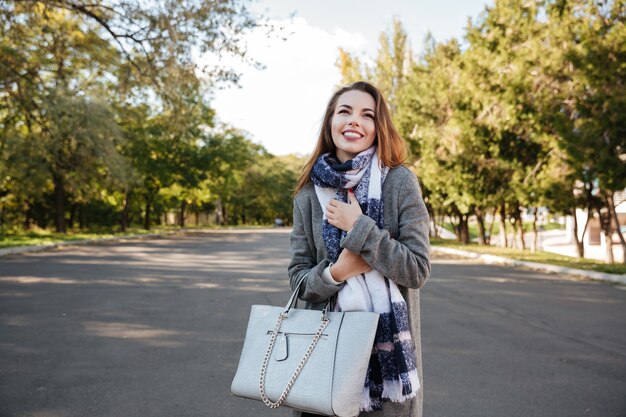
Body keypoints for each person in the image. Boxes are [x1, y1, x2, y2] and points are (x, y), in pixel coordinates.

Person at [288, 81, 431, 417]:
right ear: (330, 123)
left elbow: (417, 270)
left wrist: (360, 228)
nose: (355, 120)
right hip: (322, 359)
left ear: (377, 128)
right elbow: (297, 280)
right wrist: (337, 272)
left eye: (367, 115)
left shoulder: (399, 182)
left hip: (388, 377)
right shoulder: (308, 195)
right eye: (345, 112)